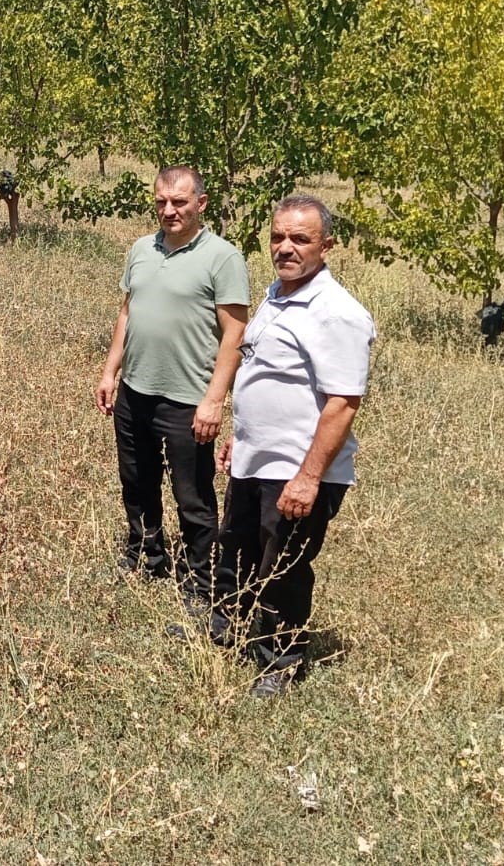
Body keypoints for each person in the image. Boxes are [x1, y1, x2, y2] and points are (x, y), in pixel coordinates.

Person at [211, 194, 375, 697]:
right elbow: (266, 372)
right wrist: (242, 436)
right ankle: (227, 633)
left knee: (282, 567)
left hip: (299, 469)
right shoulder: (277, 295)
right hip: (256, 459)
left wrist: (308, 477)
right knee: (236, 550)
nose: (285, 247)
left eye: (300, 239)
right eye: (278, 237)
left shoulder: (338, 314)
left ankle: (280, 661)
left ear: (327, 245)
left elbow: (343, 403)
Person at [94, 167, 249, 609]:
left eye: (179, 202)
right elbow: (127, 311)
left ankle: (202, 583)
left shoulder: (223, 258)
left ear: (200, 204)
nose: (169, 210)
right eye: (162, 201)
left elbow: (234, 334)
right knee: (137, 481)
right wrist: (110, 372)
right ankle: (147, 555)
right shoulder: (142, 249)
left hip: (188, 399)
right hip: (135, 391)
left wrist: (215, 400)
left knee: (192, 495)